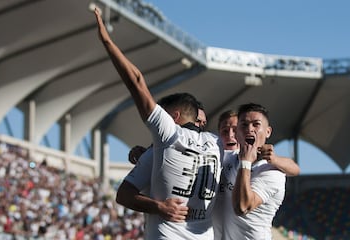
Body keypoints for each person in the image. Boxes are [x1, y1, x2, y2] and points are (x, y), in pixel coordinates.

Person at [94, 8, 223, 240]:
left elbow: (136, 82)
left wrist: (106, 41)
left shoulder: (170, 136)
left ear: (172, 117)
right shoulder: (219, 144)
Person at [212, 108, 300, 240]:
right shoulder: (225, 158)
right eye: (244, 125)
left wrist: (270, 159)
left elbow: (242, 207)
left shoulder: (271, 171)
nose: (249, 129)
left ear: (268, 131)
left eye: (256, 124)